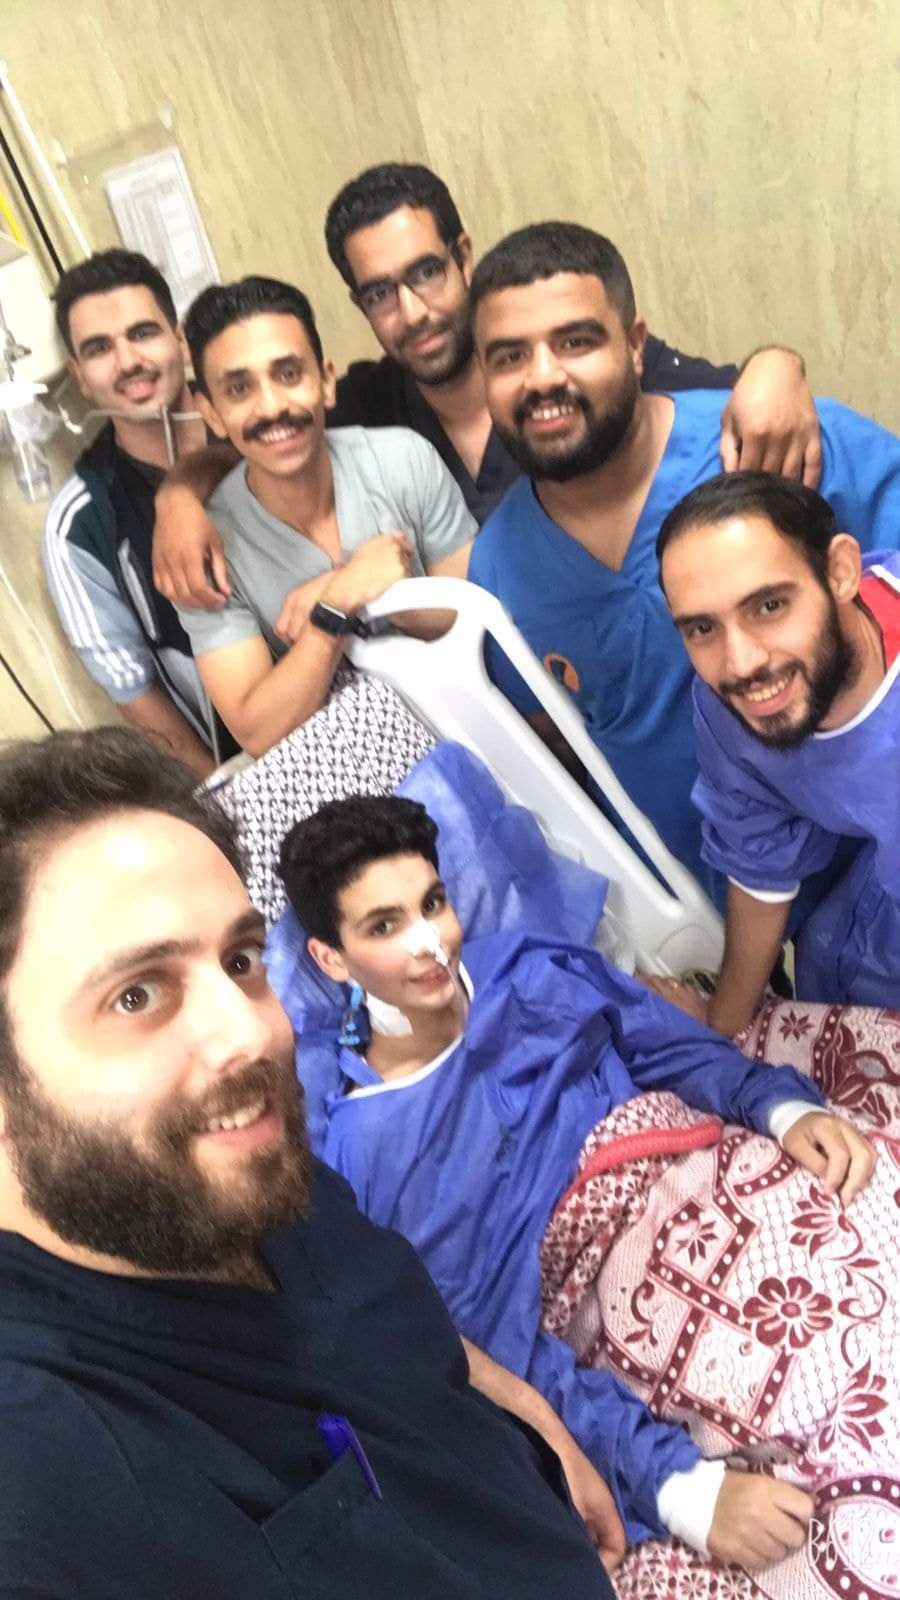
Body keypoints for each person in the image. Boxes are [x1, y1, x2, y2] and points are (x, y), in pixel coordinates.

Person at [0, 724, 626, 1599]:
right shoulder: (46, 1486)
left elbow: (383, 1313)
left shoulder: (247, 1167)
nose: (254, 1031)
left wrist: (535, 1425)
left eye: (240, 960)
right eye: (137, 994)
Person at [279, 792, 877, 1572]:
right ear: (332, 959)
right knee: (836, 1393)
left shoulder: (529, 970)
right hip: (627, 1291)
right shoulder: (376, 1150)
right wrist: (675, 1485)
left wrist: (779, 1107)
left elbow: (666, 1047)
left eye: (432, 903)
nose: (430, 942)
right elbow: (498, 1357)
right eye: (384, 926)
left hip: (718, 1169)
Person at [152, 161, 821, 606]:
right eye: (380, 293)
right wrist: (178, 499)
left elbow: (725, 399)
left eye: (425, 273)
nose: (413, 312)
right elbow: (261, 437)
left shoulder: (566, 370)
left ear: (463, 257)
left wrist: (777, 364)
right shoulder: (369, 408)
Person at [466, 223, 900, 887]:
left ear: (636, 345)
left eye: (576, 341)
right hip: (693, 901)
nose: (543, 377)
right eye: (509, 357)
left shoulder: (770, 444)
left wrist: (777, 359)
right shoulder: (502, 565)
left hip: (863, 875)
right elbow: (546, 740)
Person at [177, 275, 475, 756]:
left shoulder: (401, 460)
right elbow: (258, 730)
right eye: (239, 389)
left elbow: (472, 622)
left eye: (288, 374)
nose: (271, 407)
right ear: (211, 413)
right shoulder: (210, 551)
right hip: (355, 774)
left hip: (472, 722)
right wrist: (337, 603)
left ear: (326, 380)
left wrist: (388, 593)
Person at [655, 470, 900, 1030]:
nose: (742, 663)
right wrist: (724, 1027)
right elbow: (758, 860)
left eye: (769, 606)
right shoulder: (730, 709)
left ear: (840, 572)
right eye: (702, 628)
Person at [42, 250, 222, 777]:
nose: (127, 362)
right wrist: (231, 795)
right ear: (78, 374)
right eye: (99, 348)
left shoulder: (260, 420)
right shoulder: (81, 527)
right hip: (248, 760)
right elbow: (139, 698)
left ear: (180, 340)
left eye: (143, 333)